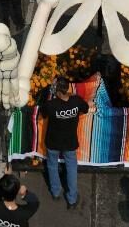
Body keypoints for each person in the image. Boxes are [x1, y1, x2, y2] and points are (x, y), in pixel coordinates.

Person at [39, 76, 94, 209]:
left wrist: (50, 96)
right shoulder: (76, 101)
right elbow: (86, 108)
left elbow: (43, 113)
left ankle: (56, 191)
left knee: (52, 166)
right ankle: (72, 199)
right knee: (71, 168)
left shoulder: (51, 105)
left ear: (57, 91)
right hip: (70, 142)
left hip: (53, 142)